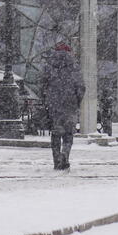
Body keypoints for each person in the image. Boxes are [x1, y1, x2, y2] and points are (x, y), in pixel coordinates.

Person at [39, 41, 85, 170]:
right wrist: (76, 100)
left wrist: (46, 99)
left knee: (56, 133)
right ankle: (65, 154)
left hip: (53, 104)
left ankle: (56, 159)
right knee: (68, 134)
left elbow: (42, 85)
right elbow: (81, 87)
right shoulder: (74, 67)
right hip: (70, 105)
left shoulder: (49, 66)